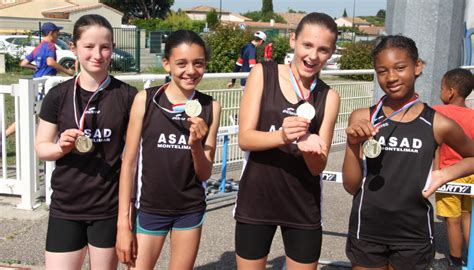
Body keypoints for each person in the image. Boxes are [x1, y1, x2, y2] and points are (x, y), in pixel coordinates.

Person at [343, 35, 474, 270]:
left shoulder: (437, 123)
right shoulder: (362, 118)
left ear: (418, 66)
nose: (391, 77)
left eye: (400, 67)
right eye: (382, 71)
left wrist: (444, 175)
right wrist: (353, 145)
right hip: (367, 229)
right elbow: (352, 186)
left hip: (413, 234)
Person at [234, 12, 340, 270]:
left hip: (302, 206)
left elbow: (317, 168)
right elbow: (245, 139)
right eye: (307, 45)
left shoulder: (330, 96)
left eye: (323, 49)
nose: (313, 56)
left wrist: (308, 149)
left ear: (332, 52)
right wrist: (282, 136)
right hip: (256, 200)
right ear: (293, 40)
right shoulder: (262, 73)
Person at [35, 14, 137, 269]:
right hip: (66, 207)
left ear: (112, 48)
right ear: (74, 48)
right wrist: (60, 147)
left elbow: (137, 154)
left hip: (107, 208)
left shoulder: (127, 96)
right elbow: (41, 148)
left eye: (105, 47)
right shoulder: (58, 95)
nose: (97, 54)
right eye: (89, 46)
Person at [115, 30, 221, 269]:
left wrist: (195, 145)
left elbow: (204, 174)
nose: (191, 71)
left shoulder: (211, 107)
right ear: (167, 64)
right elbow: (129, 163)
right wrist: (124, 223)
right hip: (150, 208)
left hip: (189, 210)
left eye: (198, 63)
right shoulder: (145, 100)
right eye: (181, 63)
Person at [433, 68, 474, 267]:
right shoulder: (473, 116)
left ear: (450, 92)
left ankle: (455, 261)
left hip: (448, 176)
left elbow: (436, 147)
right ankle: (472, 259)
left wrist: (434, 171)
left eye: (441, 87)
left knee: (452, 220)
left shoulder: (437, 112)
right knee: (467, 217)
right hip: (470, 175)